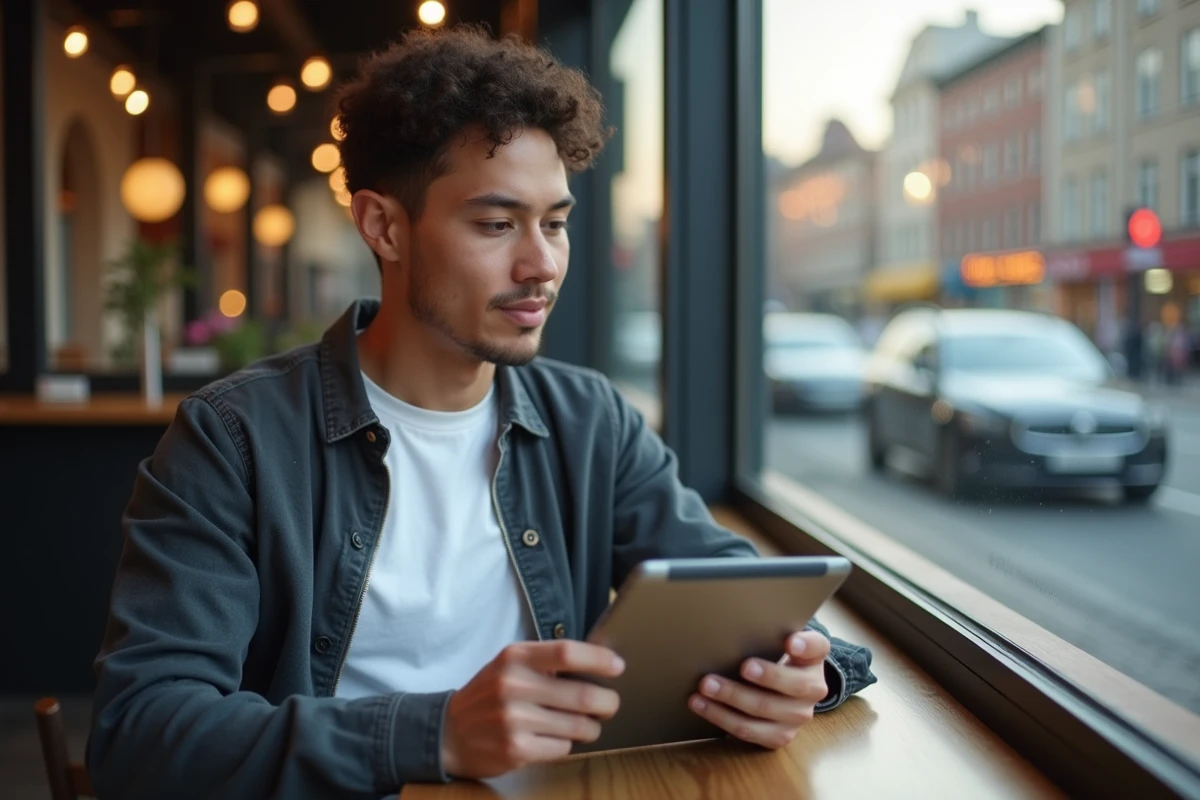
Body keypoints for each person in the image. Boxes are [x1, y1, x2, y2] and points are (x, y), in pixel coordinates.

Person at [88, 25, 875, 799]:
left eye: (556, 224)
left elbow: (742, 596)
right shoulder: (232, 439)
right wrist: (433, 735)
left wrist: (809, 668)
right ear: (383, 226)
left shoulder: (590, 419)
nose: (541, 265)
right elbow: (142, 735)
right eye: (497, 225)